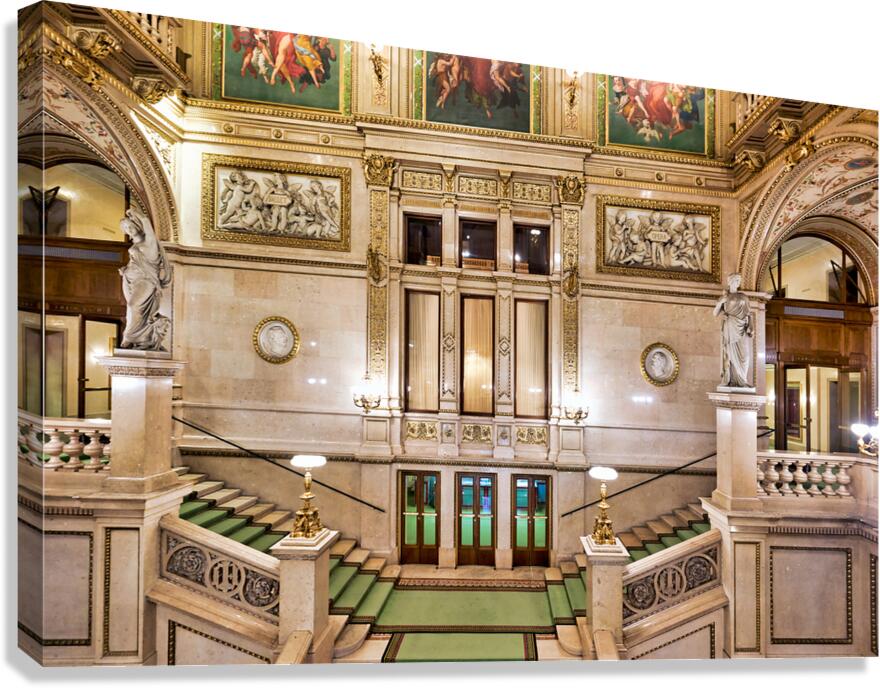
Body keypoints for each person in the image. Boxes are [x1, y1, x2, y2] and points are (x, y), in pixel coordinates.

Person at [118, 208, 172, 351]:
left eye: (130, 226)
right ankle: (140, 338)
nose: (129, 230)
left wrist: (137, 214)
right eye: (126, 229)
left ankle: (131, 336)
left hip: (147, 280)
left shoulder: (149, 243)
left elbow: (146, 222)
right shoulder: (135, 246)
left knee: (134, 305)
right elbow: (134, 262)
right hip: (131, 281)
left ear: (137, 225)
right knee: (131, 309)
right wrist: (126, 270)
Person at [713, 273, 754, 388]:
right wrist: (720, 302)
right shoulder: (725, 297)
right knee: (730, 354)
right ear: (730, 282)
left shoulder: (743, 297)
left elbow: (749, 314)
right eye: (736, 280)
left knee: (745, 356)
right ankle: (731, 380)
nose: (738, 283)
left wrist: (751, 326)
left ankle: (743, 380)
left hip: (742, 328)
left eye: (739, 281)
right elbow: (715, 313)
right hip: (730, 327)